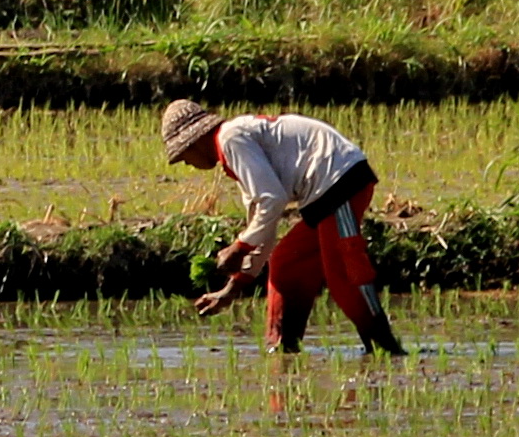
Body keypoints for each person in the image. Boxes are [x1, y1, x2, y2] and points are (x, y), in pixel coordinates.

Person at [165, 98, 408, 358]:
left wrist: (239, 246)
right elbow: (263, 224)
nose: (187, 164)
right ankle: (284, 349)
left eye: (184, 156)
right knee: (286, 263)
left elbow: (273, 201)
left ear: (195, 141)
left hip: (339, 180)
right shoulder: (234, 152)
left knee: (344, 275)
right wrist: (232, 289)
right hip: (323, 192)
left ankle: (386, 348)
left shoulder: (231, 139)